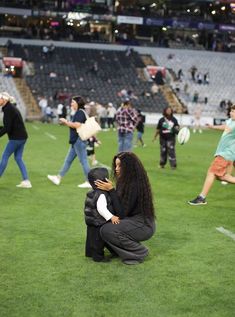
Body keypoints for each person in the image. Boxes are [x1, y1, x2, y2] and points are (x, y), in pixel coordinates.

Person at [95, 152, 156, 265]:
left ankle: (139, 251)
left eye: (120, 166)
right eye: (116, 165)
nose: (116, 169)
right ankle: (122, 251)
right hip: (135, 222)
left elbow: (122, 213)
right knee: (103, 225)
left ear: (129, 167)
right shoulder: (125, 181)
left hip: (143, 225)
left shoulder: (134, 184)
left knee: (107, 230)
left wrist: (111, 191)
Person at [188, 105, 235, 205]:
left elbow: (227, 128)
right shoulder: (231, 121)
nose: (231, 113)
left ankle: (202, 197)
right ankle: (202, 198)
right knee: (221, 177)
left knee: (211, 172)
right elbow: (225, 127)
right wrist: (213, 126)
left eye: (234, 112)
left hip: (225, 154)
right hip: (223, 152)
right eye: (231, 111)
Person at [47, 95, 91, 188]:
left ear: (78, 103)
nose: (71, 104)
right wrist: (65, 123)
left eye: (73, 102)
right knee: (68, 161)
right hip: (76, 141)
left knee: (83, 161)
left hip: (78, 141)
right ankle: (58, 178)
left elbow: (77, 125)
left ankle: (89, 181)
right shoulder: (80, 112)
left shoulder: (80, 113)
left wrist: (65, 121)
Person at [84, 167, 122, 262]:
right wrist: (111, 217)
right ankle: (98, 257)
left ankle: (89, 252)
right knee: (99, 240)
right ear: (102, 182)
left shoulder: (92, 192)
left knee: (91, 238)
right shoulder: (102, 194)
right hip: (99, 221)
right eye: (107, 178)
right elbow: (101, 209)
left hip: (91, 220)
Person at [0, 92, 32, 188]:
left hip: (16, 138)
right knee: (18, 158)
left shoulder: (8, 109)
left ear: (4, 100)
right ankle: (26, 181)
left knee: (5, 156)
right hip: (22, 137)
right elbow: (8, 126)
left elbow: (7, 128)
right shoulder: (9, 108)